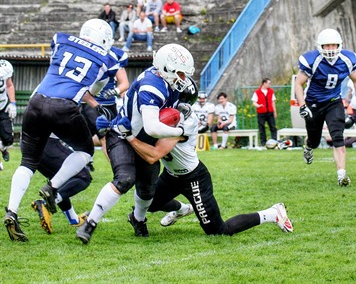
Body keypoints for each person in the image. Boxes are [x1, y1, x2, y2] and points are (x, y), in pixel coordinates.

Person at [4, 19, 119, 242]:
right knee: (86, 152)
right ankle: (52, 187)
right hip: (63, 106)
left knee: (27, 162)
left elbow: (59, 68)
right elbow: (91, 90)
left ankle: (12, 212)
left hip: (36, 102)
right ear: (104, 38)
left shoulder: (61, 38)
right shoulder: (108, 59)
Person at [118, 90, 293, 237]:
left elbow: (153, 155)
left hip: (193, 178)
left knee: (218, 231)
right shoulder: (166, 110)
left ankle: (272, 213)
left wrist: (129, 136)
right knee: (149, 204)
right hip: (171, 175)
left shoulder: (184, 121)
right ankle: (182, 209)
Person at [76, 44, 197, 244]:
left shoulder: (168, 82)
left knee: (148, 188)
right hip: (123, 134)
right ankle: (90, 223)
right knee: (124, 179)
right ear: (166, 68)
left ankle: (138, 219)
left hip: (143, 140)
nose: (183, 79)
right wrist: (180, 131)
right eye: (181, 74)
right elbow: (152, 127)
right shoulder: (152, 86)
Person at [294, 28, 356, 186]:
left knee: (338, 136)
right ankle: (308, 147)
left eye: (334, 45)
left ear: (339, 45)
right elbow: (298, 83)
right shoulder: (312, 60)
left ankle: (342, 175)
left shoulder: (347, 59)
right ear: (320, 47)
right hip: (313, 103)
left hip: (334, 101)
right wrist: (302, 105)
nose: (331, 49)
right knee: (314, 140)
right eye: (327, 46)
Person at [31, 134, 92, 234]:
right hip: (47, 144)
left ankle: (73, 219)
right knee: (84, 176)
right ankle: (45, 204)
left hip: (29, 145)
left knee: (59, 181)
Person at [79, 46, 129, 148]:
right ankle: (115, 163)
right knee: (104, 137)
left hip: (110, 103)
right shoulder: (86, 52)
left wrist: (114, 91)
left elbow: (124, 83)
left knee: (115, 136)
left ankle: (79, 144)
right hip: (90, 103)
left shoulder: (114, 56)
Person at [0, 59, 16, 171]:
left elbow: (9, 85)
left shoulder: (5, 67)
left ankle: (4, 148)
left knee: (8, 139)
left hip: (2, 106)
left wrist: (13, 103)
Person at [252, 78, 278, 146]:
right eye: (268, 83)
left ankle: (274, 141)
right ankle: (263, 142)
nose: (269, 85)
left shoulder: (271, 91)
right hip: (261, 112)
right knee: (261, 127)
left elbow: (273, 102)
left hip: (270, 112)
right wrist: (258, 106)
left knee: (273, 127)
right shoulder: (257, 92)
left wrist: (275, 111)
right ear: (264, 83)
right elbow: (254, 102)